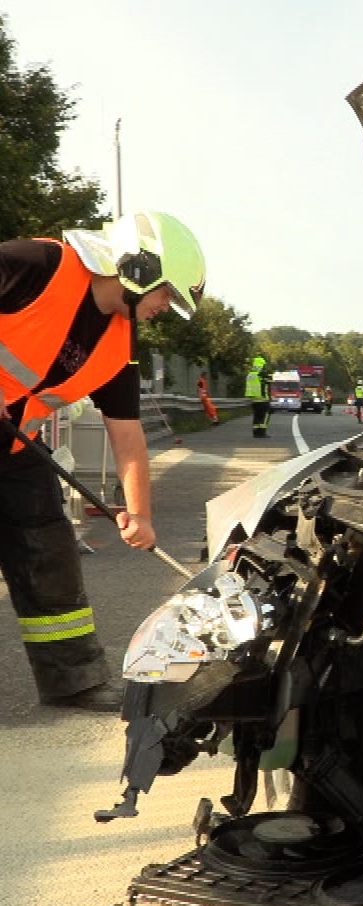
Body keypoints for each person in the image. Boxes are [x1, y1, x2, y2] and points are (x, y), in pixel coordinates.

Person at [0, 209, 205, 711]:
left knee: (49, 554)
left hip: (13, 448)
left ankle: (75, 683)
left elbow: (127, 434)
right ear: (137, 270)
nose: (164, 307)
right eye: (166, 295)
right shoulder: (36, 265)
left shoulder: (118, 346)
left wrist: (139, 515)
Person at [245, 355, 271, 437]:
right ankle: (262, 432)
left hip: (254, 400)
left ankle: (255, 432)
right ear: (262, 364)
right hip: (263, 399)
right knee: (264, 417)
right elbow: (269, 382)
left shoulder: (250, 374)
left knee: (256, 416)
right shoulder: (262, 374)